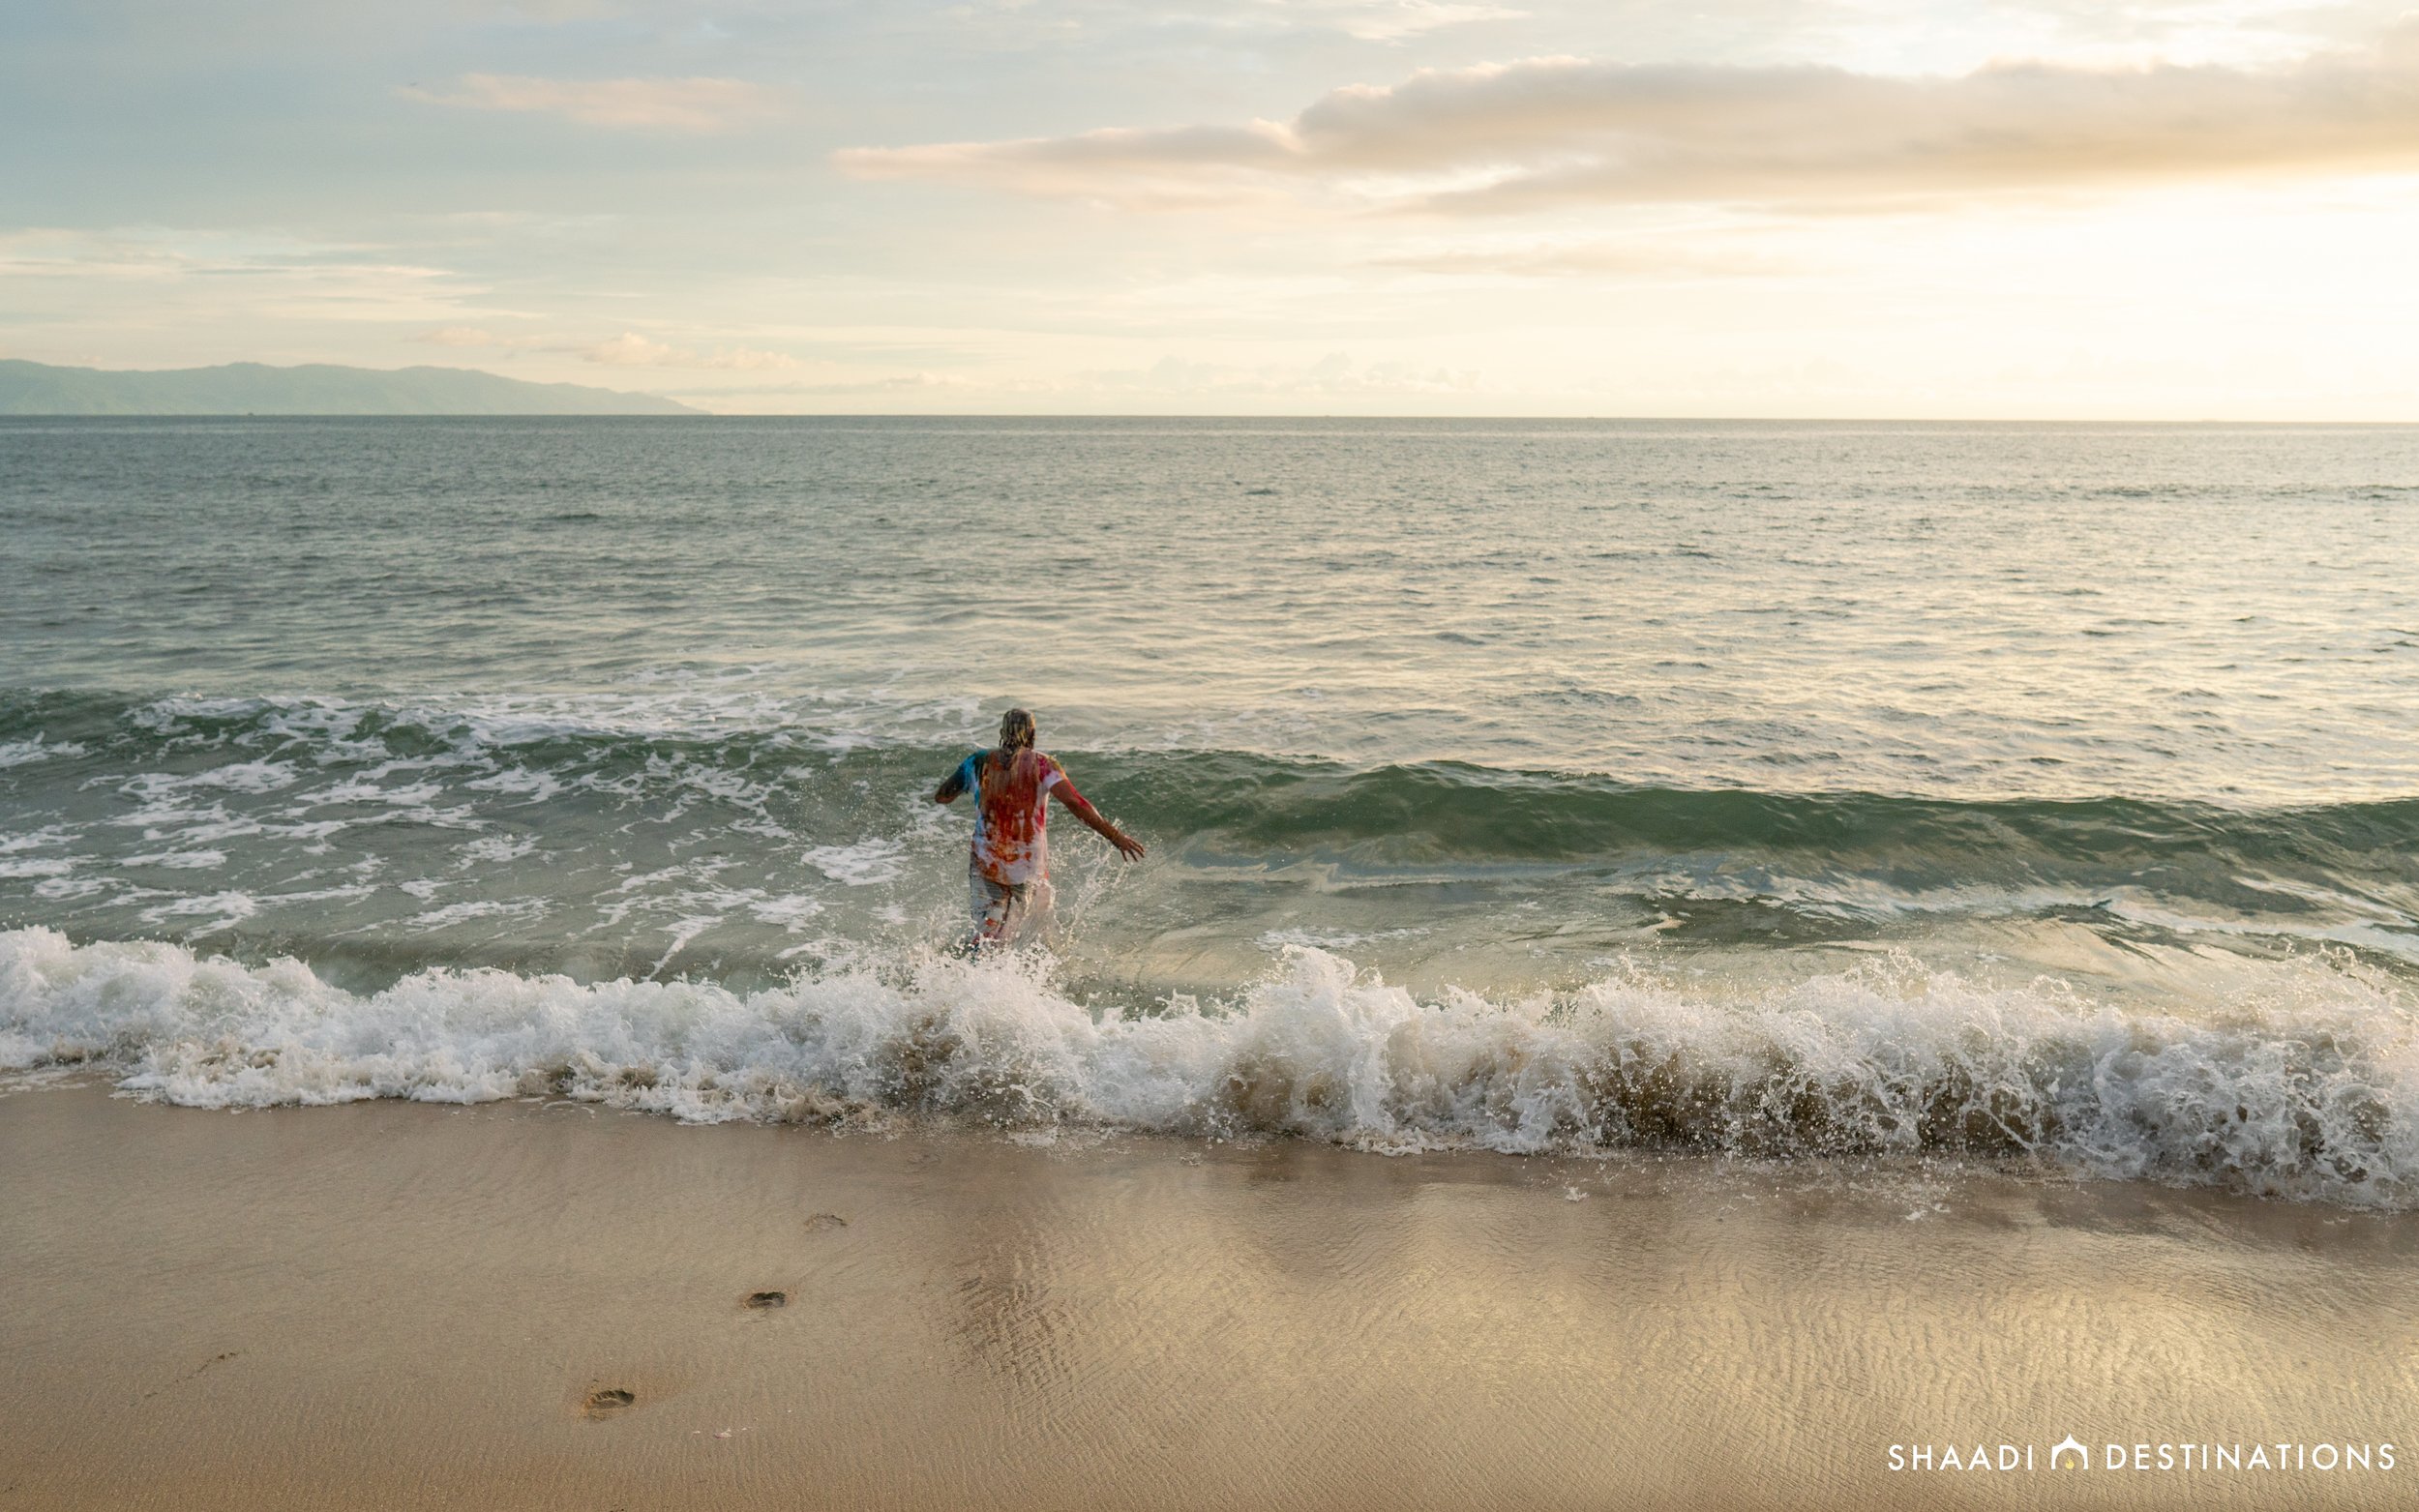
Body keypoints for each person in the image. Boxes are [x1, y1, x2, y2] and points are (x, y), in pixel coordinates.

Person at [935, 708, 1145, 947]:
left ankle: (960, 972)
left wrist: (976, 785)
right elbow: (1075, 803)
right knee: (1016, 933)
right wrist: (1115, 836)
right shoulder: (1043, 764)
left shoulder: (977, 761)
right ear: (1032, 734)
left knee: (988, 931)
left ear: (1002, 732)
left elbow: (942, 796)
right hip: (1027, 866)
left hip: (985, 862)